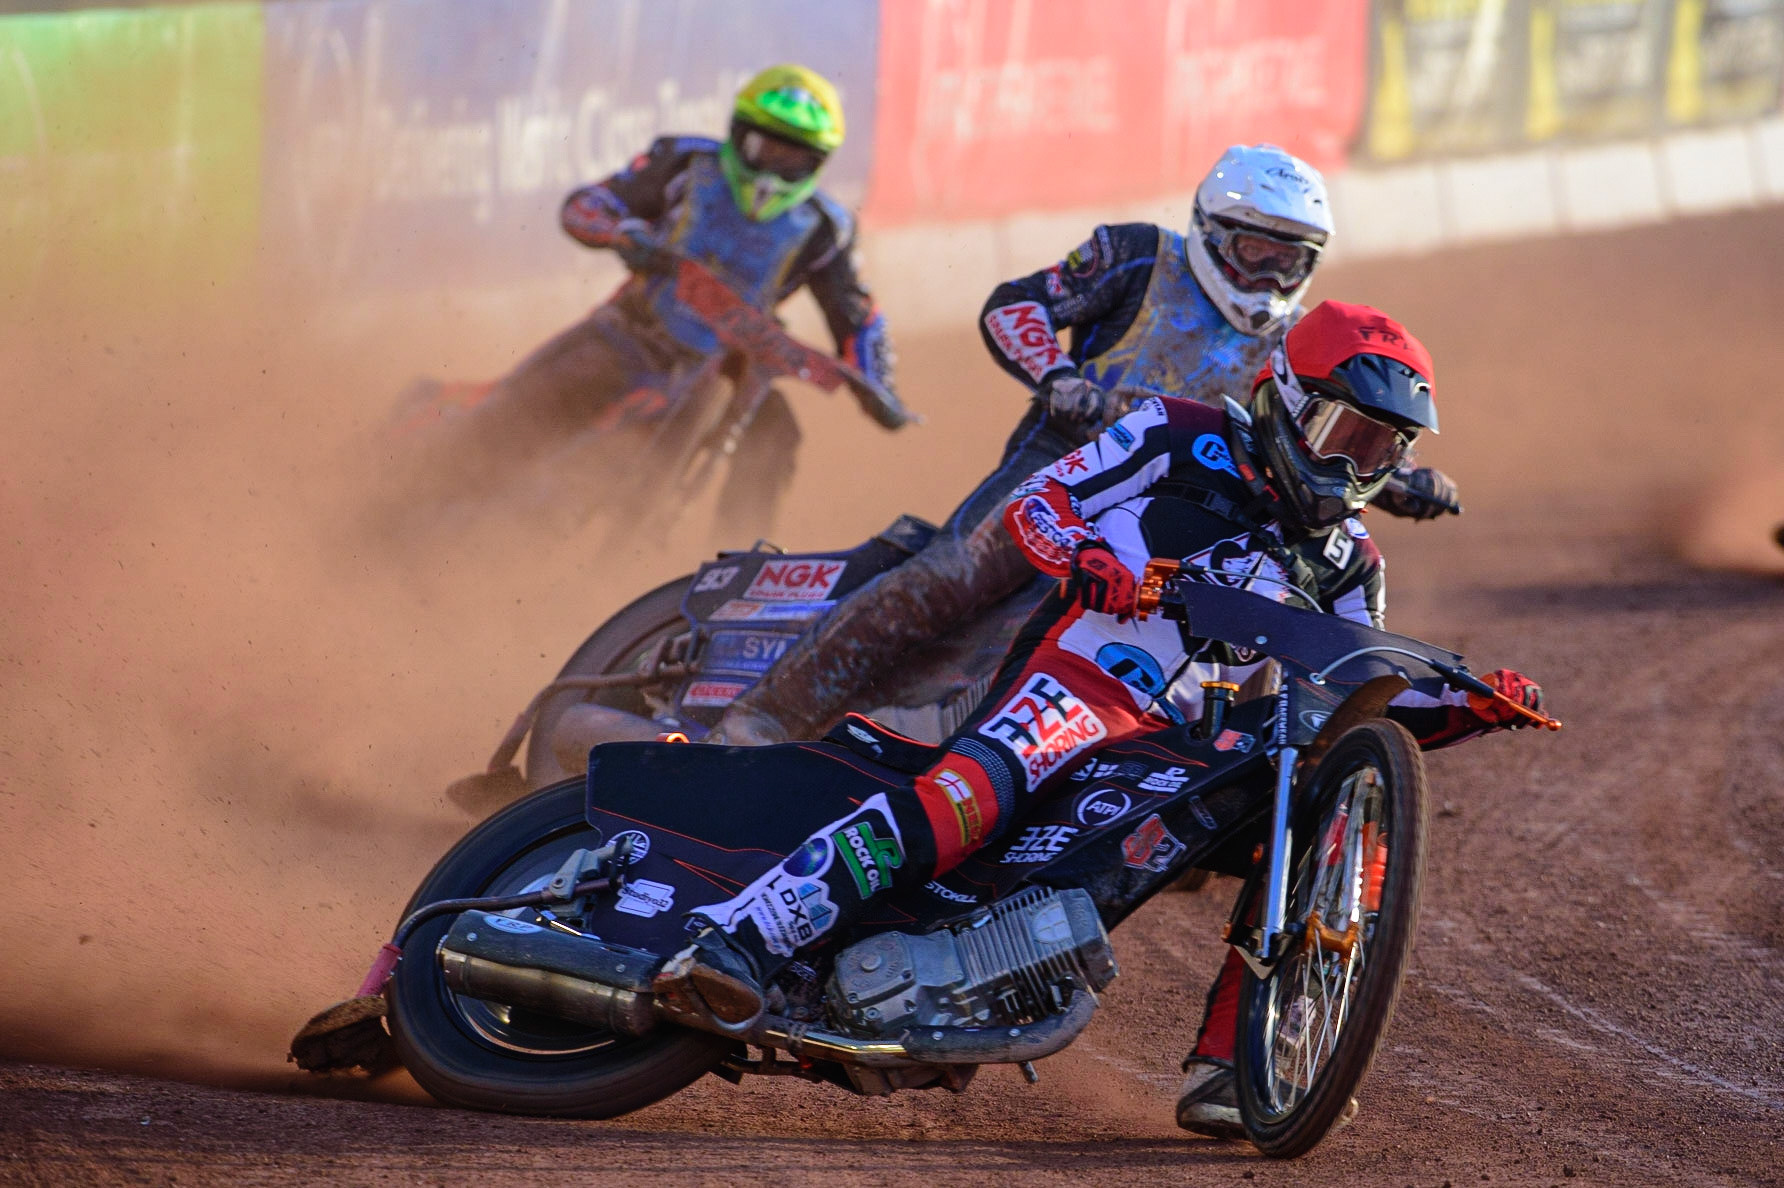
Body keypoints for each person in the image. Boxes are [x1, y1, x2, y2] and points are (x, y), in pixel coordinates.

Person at [659, 302, 1545, 1141]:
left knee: (1315, 814)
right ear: (1283, 397)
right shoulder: (1175, 432)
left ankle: (1237, 1071)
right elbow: (1038, 503)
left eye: (1380, 449)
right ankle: (740, 938)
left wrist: (1469, 704)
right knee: (962, 802)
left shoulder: (1352, 557)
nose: (1353, 467)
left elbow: (1356, 697)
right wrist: (1088, 554)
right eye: (1340, 435)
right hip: (1085, 678)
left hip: (1200, 742)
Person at [712, 144, 1455, 746]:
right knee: (954, 576)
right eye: (1256, 252)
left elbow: (1303, 439)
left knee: (1254, 614)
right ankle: (766, 713)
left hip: (1184, 503)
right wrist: (1058, 375)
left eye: (1289, 261)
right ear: (1211, 232)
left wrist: (1399, 480)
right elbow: (1017, 305)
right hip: (1064, 463)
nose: (1269, 275)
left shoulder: (1295, 342)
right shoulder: (1136, 256)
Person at [425, 64, 906, 537]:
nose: (774, 168)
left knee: (777, 436)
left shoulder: (825, 228)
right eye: (765, 147)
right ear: (739, 135)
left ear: (818, 163)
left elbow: (857, 316)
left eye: (792, 158)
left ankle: (744, 568)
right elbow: (585, 205)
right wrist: (623, 233)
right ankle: (415, 487)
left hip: (731, 369)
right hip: (632, 334)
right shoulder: (686, 163)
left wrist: (878, 387)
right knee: (519, 411)